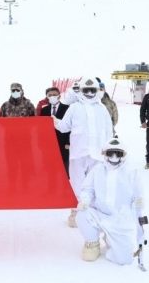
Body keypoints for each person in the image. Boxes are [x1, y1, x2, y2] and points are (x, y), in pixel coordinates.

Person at [76, 138, 145, 265]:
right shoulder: (97, 170)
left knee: (124, 259)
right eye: (110, 153)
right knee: (81, 213)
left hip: (120, 220)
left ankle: (112, 239)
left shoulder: (131, 172)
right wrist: (84, 201)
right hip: (99, 215)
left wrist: (140, 216)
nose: (114, 157)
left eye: (117, 153)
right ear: (104, 154)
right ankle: (92, 243)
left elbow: (138, 197)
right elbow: (87, 189)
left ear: (123, 155)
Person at [54, 78, 113, 228]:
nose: (89, 93)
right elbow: (63, 127)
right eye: (86, 90)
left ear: (96, 91)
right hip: (78, 153)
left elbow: (109, 132)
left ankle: (93, 214)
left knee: (96, 185)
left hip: (98, 154)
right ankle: (76, 212)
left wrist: (108, 150)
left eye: (92, 90)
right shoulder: (74, 108)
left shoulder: (102, 109)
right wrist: (53, 120)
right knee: (77, 184)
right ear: (81, 91)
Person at [39, 87, 70, 175]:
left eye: (54, 95)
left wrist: (68, 142)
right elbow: (41, 127)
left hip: (63, 142)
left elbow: (70, 126)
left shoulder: (67, 108)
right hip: (49, 143)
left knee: (63, 165)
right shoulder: (44, 110)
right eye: (50, 95)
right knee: (50, 166)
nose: (52, 96)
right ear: (47, 97)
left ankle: (64, 184)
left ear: (59, 96)